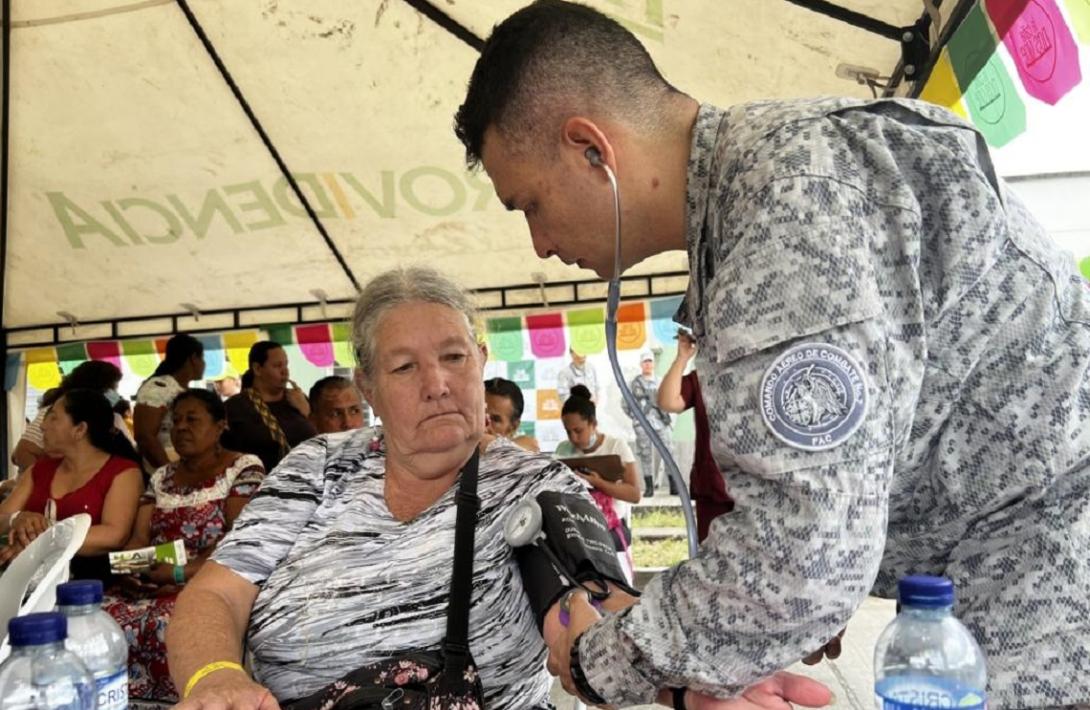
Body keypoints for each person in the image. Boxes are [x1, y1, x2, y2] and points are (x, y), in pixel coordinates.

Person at [454, 2, 1090, 708]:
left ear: (591, 149)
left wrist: (605, 660)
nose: (539, 245)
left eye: (530, 205)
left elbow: (806, 556)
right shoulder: (776, 183)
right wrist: (757, 618)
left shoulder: (788, 214)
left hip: (1047, 590)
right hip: (1011, 576)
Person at [167, 267, 604, 709]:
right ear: (368, 387)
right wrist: (216, 677)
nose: (436, 385)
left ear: (482, 360)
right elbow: (216, 593)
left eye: (454, 357)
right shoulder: (317, 465)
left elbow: (584, 604)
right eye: (404, 367)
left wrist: (587, 636)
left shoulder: (535, 485)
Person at [104, 389, 265, 702]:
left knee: (168, 620)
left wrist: (180, 573)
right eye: (175, 421)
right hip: (155, 581)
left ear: (220, 426)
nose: (181, 427)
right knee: (100, 615)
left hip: (212, 583)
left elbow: (238, 538)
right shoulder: (161, 477)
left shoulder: (243, 468)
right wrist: (131, 567)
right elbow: (139, 539)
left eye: (193, 419)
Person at [0, 389, 142, 579]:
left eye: (53, 418)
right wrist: (17, 519)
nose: (42, 426)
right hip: (31, 580)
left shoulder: (123, 472)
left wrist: (40, 539)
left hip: (94, 582)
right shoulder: (39, 470)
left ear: (79, 429)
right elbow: (2, 516)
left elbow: (114, 535)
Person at [554, 385, 641, 581]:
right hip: (576, 527)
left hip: (610, 529)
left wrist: (598, 483)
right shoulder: (563, 450)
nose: (574, 438)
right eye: (568, 432)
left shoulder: (616, 446)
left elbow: (634, 494)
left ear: (593, 423)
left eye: (578, 430)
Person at [658, 329, 734, 541]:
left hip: (760, 488)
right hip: (715, 488)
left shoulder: (764, 370)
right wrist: (682, 357)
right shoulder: (704, 378)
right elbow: (667, 401)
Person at [11, 360, 132, 472]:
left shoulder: (113, 418)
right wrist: (44, 481)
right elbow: (22, 453)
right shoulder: (56, 413)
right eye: (111, 388)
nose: (115, 395)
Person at [222, 342, 316, 471]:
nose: (285, 371)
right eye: (277, 366)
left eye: (286, 364)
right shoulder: (234, 408)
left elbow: (321, 436)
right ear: (257, 369)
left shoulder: (299, 399)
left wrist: (307, 412)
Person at [133, 334, 206, 475]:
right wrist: (169, 473)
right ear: (193, 358)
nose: (204, 364)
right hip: (164, 473)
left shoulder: (181, 390)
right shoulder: (158, 388)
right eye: (202, 358)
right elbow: (145, 436)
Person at [621, 349, 674, 497]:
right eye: (645, 362)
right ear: (641, 364)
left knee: (668, 451)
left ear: (654, 364)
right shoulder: (634, 383)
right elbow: (625, 403)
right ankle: (649, 486)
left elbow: (668, 399)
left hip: (660, 422)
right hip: (642, 424)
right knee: (645, 454)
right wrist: (635, 417)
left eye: (650, 361)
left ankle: (673, 485)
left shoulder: (660, 381)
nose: (648, 364)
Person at [484, 376, 540, 451]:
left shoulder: (522, 458)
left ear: (513, 427)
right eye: (480, 415)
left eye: (495, 419)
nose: (483, 423)